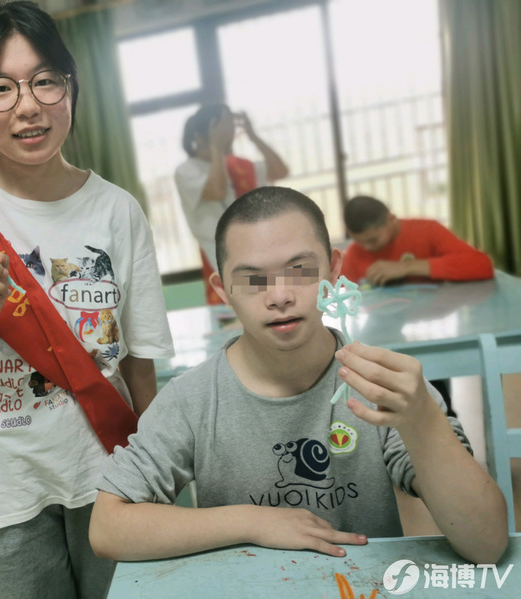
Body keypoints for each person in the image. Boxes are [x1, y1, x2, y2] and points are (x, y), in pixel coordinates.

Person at [0, 2, 173, 598]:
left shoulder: (117, 210)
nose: (27, 106)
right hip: (0, 485)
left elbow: (139, 357)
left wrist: (157, 468)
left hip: (109, 469)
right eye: (0, 88)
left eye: (45, 80)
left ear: (72, 85)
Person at [89, 187, 508, 565]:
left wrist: (422, 419)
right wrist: (252, 521)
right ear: (222, 290)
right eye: (252, 279)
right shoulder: (192, 399)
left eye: (300, 270)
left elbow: (486, 544)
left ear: (333, 269)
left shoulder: (381, 384)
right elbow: (108, 527)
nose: (279, 296)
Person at [174, 104, 288, 304]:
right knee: (237, 309)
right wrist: (216, 148)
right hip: (219, 254)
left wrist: (253, 136)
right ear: (201, 136)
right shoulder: (186, 171)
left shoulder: (237, 165)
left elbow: (280, 171)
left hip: (256, 247)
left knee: (270, 303)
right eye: (223, 128)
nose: (229, 134)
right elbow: (217, 190)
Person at [341, 195, 494, 287]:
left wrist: (407, 267)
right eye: (358, 241)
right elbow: (338, 297)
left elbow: (482, 265)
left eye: (373, 240)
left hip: (435, 319)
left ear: (391, 219)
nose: (366, 248)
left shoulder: (428, 230)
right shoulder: (354, 254)